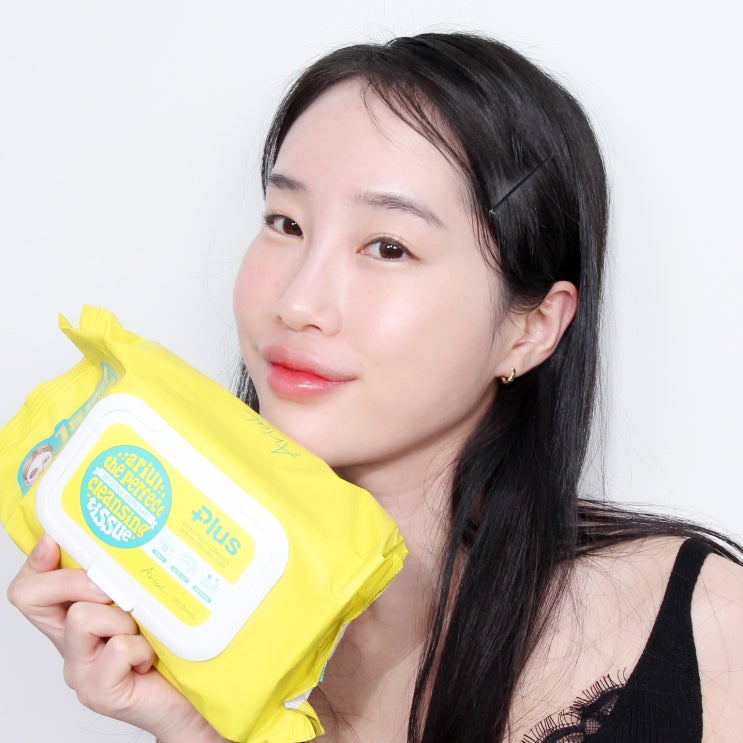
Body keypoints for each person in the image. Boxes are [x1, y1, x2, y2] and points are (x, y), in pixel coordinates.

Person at [7, 32, 743, 742]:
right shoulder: (204, 636)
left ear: (529, 328)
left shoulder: (707, 622)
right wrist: (190, 729)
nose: (297, 302)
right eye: (285, 223)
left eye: (388, 246)